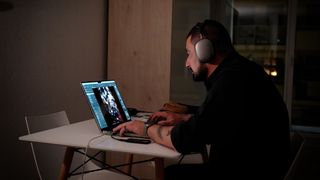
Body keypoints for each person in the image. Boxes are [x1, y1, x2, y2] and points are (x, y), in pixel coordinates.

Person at [113, 19, 290, 179]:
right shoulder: (241, 71)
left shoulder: (230, 81)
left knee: (174, 174)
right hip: (261, 167)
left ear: (205, 51)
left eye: (189, 53)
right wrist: (185, 117)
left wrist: (143, 128)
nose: (186, 63)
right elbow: (223, 118)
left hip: (248, 172)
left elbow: (183, 140)